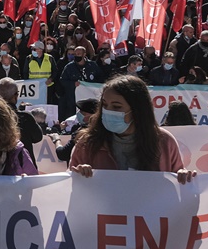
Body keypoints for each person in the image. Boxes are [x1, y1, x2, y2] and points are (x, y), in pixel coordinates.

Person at [68, 75, 196, 183]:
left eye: (117, 107)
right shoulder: (87, 144)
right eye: (105, 105)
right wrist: (78, 175)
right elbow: (68, 188)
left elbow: (177, 184)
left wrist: (183, 176)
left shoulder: (165, 142)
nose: (108, 111)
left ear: (137, 110)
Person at [0, 78, 44, 166]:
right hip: (24, 168)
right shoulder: (26, 117)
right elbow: (38, 137)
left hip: (0, 170)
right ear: (16, 96)